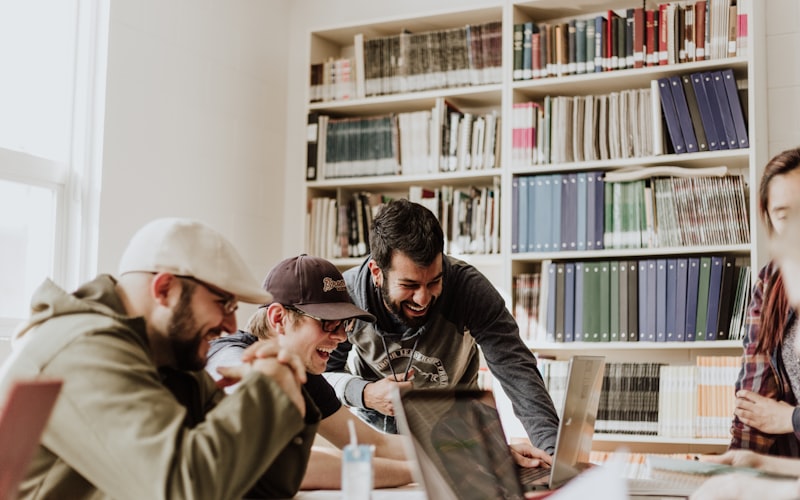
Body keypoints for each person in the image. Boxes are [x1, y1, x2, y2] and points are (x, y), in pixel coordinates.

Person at [0, 218, 320, 500]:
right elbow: (183, 489)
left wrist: (285, 386)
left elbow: (268, 485)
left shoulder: (169, 358)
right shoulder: (83, 349)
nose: (231, 326)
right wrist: (266, 390)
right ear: (165, 288)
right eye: (223, 303)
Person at [323, 198, 560, 464]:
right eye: (409, 285)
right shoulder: (347, 295)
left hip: (459, 437)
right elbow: (323, 375)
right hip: (381, 442)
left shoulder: (469, 289)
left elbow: (517, 369)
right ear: (377, 272)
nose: (423, 298)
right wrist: (365, 394)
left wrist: (554, 455)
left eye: (434, 281)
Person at [206, 254, 415, 490]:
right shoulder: (229, 358)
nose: (342, 337)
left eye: (344, 324)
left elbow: (372, 443)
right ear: (278, 318)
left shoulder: (302, 373)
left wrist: (449, 453)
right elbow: (286, 464)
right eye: (328, 323)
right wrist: (419, 471)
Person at [730, 147, 800, 457]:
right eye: (785, 216)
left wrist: (789, 418)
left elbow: (776, 416)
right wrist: (737, 462)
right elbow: (754, 399)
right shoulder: (771, 282)